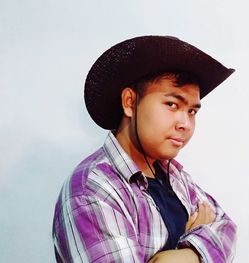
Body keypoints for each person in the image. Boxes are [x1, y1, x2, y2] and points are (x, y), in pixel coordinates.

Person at [52, 35, 237, 263]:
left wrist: (183, 256)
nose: (185, 123)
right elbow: (217, 243)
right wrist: (202, 244)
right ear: (130, 102)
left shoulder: (175, 177)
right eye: (172, 105)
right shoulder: (91, 190)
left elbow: (227, 229)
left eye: (192, 111)